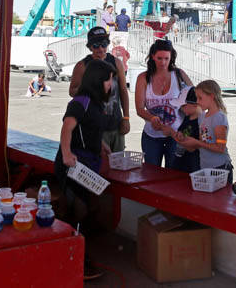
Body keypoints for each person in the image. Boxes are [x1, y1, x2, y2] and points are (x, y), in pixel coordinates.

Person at [53, 58, 120, 280]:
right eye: (109, 80)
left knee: (89, 209)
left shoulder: (96, 104)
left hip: (88, 163)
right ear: (97, 80)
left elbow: (89, 128)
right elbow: (67, 128)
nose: (111, 85)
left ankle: (76, 254)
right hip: (73, 165)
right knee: (77, 210)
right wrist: (66, 153)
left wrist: (100, 144)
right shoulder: (80, 101)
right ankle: (75, 260)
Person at [134, 39, 196, 168]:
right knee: (151, 172)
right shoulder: (143, 78)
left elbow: (195, 101)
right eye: (159, 58)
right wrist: (152, 118)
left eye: (166, 59)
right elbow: (139, 109)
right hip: (151, 135)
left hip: (176, 134)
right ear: (152, 57)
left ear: (171, 57)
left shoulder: (179, 75)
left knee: (174, 172)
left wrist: (185, 131)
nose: (163, 62)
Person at [69, 27, 130, 152]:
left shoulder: (116, 62)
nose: (101, 49)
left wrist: (126, 118)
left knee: (117, 164)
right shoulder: (82, 65)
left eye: (104, 44)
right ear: (90, 47)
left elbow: (123, 91)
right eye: (96, 45)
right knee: (99, 165)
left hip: (115, 124)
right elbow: (72, 91)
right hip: (93, 127)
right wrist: (89, 86)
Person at [175, 79, 233, 183]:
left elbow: (220, 147)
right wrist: (185, 136)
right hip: (206, 166)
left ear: (211, 96)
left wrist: (196, 142)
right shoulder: (202, 116)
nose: (197, 101)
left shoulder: (219, 118)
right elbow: (204, 139)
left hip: (220, 168)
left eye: (200, 98)